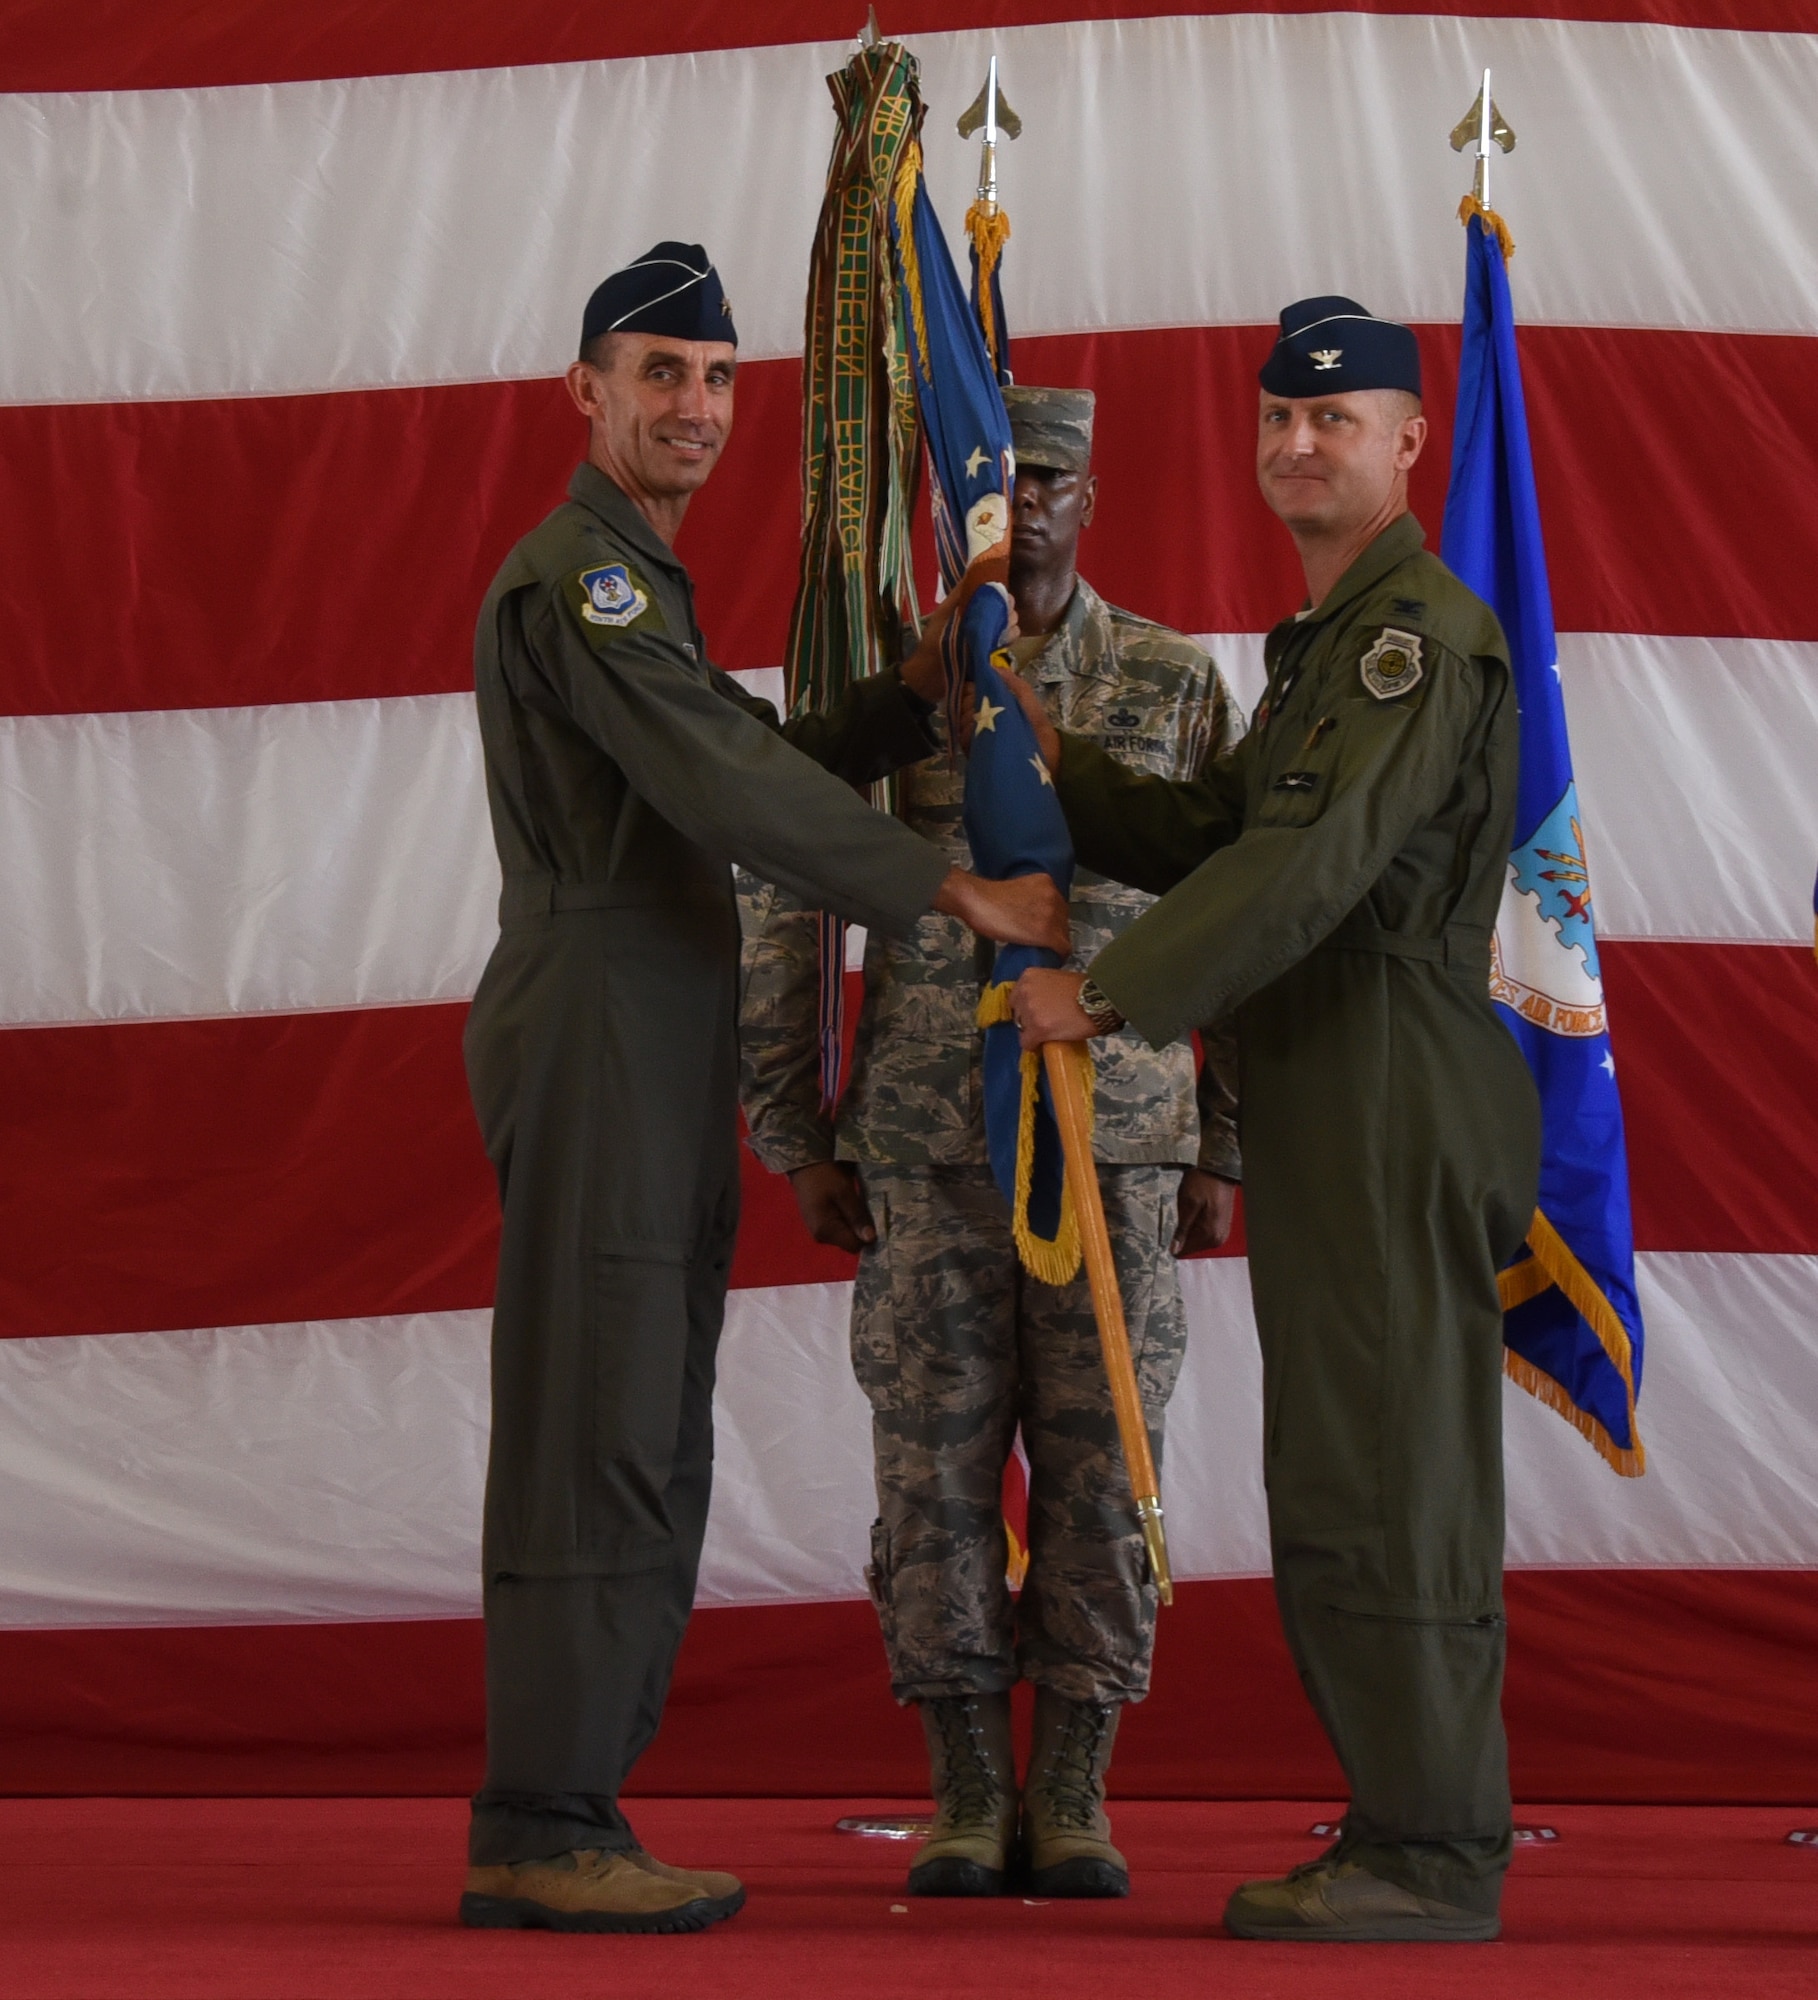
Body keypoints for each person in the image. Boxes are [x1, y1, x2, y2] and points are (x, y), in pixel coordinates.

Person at [459, 243, 1069, 1937]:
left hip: (649, 1022)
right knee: (600, 1418)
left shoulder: (636, 579)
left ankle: (569, 1799)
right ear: (583, 390)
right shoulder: (580, 578)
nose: (699, 407)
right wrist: (947, 890)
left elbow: (727, 766)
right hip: (599, 1012)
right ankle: (542, 1815)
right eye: (660, 372)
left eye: (722, 376)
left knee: (644, 1412)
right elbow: (714, 775)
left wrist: (906, 702)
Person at [1007, 299, 1542, 1943]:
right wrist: (1058, 765)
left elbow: (1303, 874)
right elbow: (1229, 833)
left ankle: (1431, 1850)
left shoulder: (1408, 639)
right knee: (1343, 1460)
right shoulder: (1323, 642)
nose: (1299, 444)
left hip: (1386, 1069)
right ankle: (1403, 1817)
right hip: (1333, 1077)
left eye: (1339, 421)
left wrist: (1098, 997)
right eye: (1277, 423)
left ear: (1406, 446)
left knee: (1384, 1471)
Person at [739, 385, 1242, 1901]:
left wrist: (1226, 1142)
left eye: (1051, 478)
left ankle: (1074, 1785)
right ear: (947, 502)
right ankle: (963, 1784)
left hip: (1121, 1141)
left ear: (1094, 494)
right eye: (995, 478)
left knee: (1102, 1470)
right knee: (931, 1472)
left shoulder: (1165, 679)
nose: (1022, 502)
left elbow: (1239, 913)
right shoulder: (895, 690)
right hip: (922, 1137)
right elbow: (786, 894)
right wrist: (790, 1125)